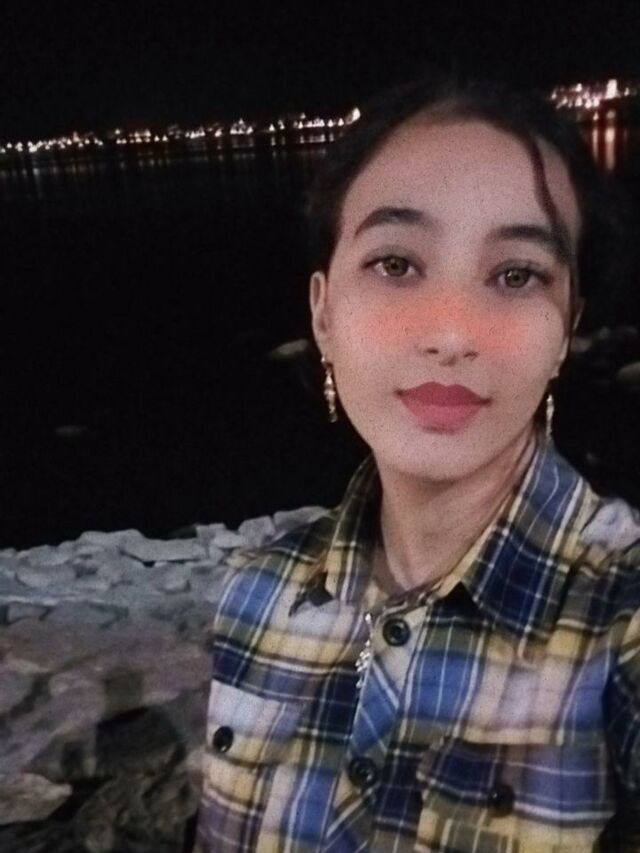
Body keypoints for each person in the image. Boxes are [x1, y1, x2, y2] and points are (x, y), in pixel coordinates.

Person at [195, 75, 640, 852]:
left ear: (566, 330)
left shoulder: (616, 612)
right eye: (397, 263)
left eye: (516, 274)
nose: (452, 333)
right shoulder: (257, 594)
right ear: (323, 313)